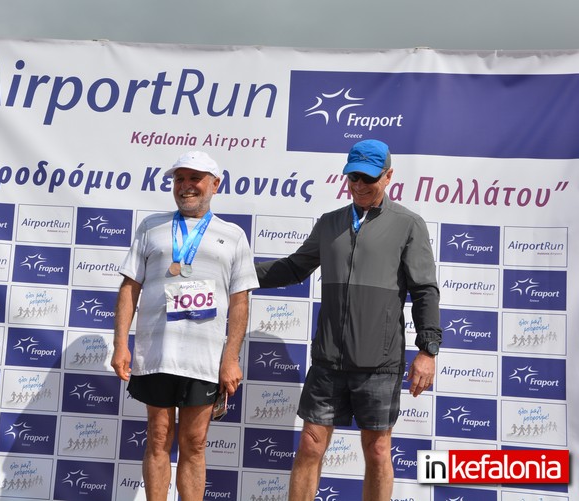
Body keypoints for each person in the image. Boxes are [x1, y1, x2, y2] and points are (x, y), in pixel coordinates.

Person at [256, 139, 441, 501]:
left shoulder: (408, 224)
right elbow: (294, 268)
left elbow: (425, 291)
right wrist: (240, 275)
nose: (358, 185)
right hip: (328, 361)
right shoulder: (330, 223)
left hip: (379, 364)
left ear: (388, 176)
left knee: (377, 450)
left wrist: (428, 349)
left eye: (367, 178)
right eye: (352, 177)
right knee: (310, 444)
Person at [111, 151, 259, 501]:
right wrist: (119, 344)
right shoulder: (151, 226)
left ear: (215, 184)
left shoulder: (233, 235)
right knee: (158, 436)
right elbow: (129, 287)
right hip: (156, 354)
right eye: (179, 179)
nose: (186, 186)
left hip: (204, 359)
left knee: (194, 443)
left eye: (195, 178)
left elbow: (240, 302)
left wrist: (231, 358)